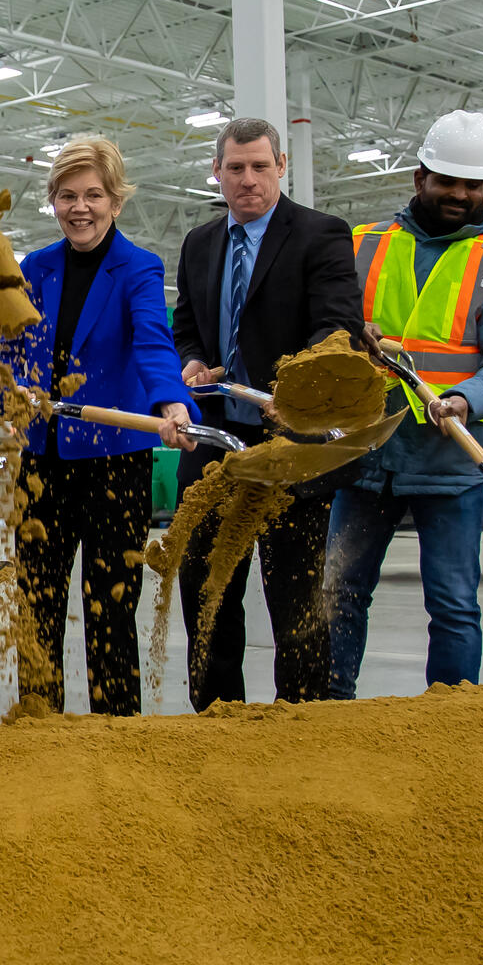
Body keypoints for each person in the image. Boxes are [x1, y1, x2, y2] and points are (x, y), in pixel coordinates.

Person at [324, 110, 483, 695]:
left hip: (450, 463)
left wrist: (468, 398)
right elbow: (326, 331)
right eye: (448, 180)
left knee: (453, 605)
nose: (460, 194)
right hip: (366, 456)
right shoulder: (362, 245)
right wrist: (348, 336)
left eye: (473, 185)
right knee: (339, 592)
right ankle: (329, 710)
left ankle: (451, 721)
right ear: (420, 178)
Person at [170, 117, 361, 706]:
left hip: (291, 448)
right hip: (214, 445)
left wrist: (299, 388)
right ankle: (217, 716)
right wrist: (194, 362)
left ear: (282, 166)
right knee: (207, 590)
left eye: (260, 166)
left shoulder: (321, 235)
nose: (248, 179)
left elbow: (338, 325)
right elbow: (186, 328)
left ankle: (299, 725)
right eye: (235, 168)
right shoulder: (200, 243)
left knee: (295, 597)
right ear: (217, 172)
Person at [3, 137, 192, 714]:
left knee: (110, 603)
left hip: (115, 460)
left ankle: (116, 735)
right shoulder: (35, 267)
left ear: (116, 200)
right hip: (42, 462)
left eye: (93, 195)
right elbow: (12, 348)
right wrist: (7, 401)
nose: (79, 207)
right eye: (67, 196)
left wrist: (170, 404)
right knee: (36, 601)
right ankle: (39, 727)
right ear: (53, 203)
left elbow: (152, 343)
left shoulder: (137, 267)